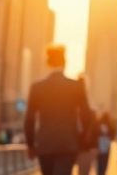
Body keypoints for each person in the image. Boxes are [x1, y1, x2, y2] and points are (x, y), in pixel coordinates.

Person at [25, 45, 94, 175]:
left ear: (47, 63)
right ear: (65, 62)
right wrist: (82, 140)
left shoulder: (37, 88)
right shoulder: (76, 87)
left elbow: (29, 119)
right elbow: (87, 116)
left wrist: (30, 145)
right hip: (68, 144)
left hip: (45, 144)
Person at [75, 75, 98, 175]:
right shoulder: (71, 100)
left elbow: (93, 125)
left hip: (85, 146)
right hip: (73, 145)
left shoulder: (89, 103)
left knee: (83, 172)